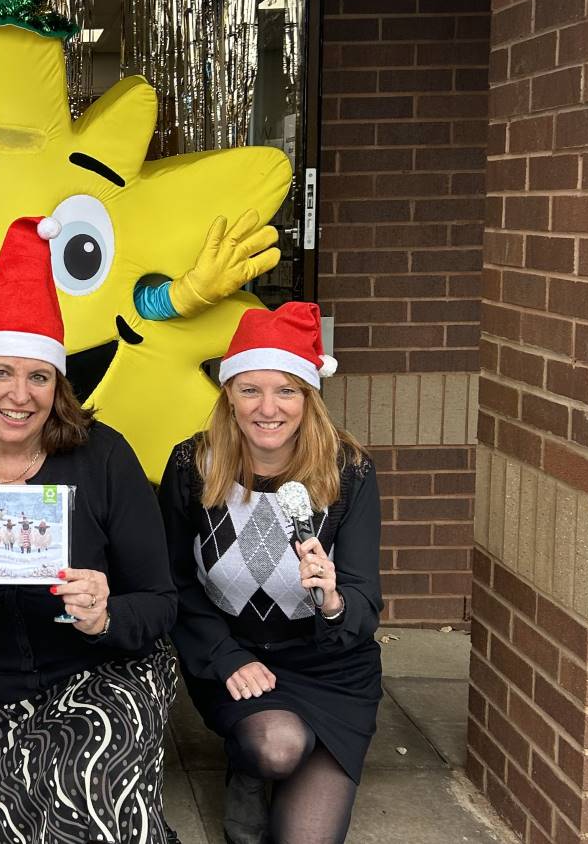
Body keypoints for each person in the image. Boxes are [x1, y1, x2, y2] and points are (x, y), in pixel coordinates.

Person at [0, 216, 179, 843]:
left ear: (57, 386)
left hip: (103, 668)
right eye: (1, 372)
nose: (19, 395)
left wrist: (106, 616)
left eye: (39, 376)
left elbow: (161, 601)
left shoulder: (103, 456)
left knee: (85, 803)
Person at [158, 302, 382, 844]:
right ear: (228, 395)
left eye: (286, 391)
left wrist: (333, 600)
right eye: (250, 390)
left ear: (308, 398)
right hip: (236, 656)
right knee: (277, 746)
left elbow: (364, 599)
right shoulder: (194, 467)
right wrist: (224, 655)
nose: (268, 408)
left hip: (330, 669)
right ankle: (252, 767)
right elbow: (172, 582)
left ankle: (295, 754)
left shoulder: (349, 471)